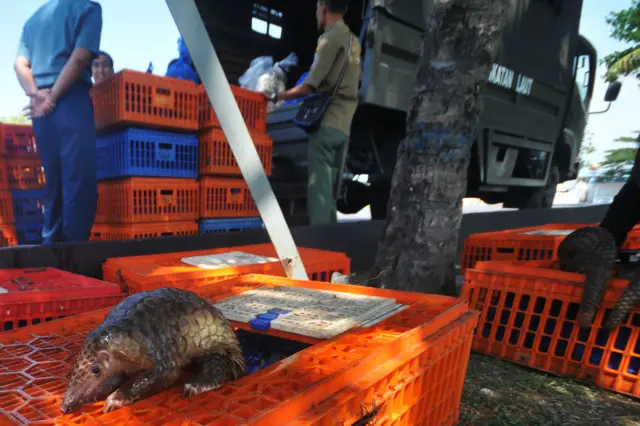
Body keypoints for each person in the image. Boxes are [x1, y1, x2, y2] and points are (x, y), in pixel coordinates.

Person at [263, 0, 361, 226]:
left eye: (317, 8)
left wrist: (278, 96)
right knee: (331, 195)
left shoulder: (328, 39)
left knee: (319, 193)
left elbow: (310, 85)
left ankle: (320, 247)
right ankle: (331, 246)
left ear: (324, 7)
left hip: (325, 125)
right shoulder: (353, 41)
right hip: (344, 126)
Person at [14, 0, 103, 244]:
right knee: (78, 181)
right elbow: (80, 57)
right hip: (70, 99)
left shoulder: (33, 20)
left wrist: (36, 94)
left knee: (53, 181)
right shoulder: (88, 8)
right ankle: (74, 256)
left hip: (41, 109)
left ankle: (51, 248)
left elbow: (19, 64)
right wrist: (53, 97)